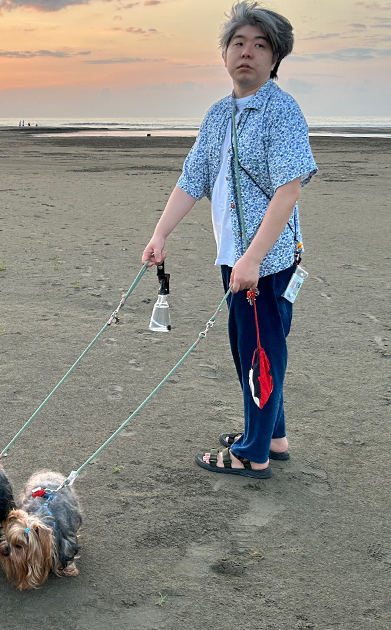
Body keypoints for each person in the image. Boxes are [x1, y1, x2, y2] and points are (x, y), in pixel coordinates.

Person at [141, 1, 317, 479]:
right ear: (224, 55)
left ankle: (254, 452)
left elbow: (289, 189)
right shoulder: (220, 113)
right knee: (248, 346)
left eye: (261, 45)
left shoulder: (281, 110)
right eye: (238, 43)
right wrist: (161, 233)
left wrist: (254, 258)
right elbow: (193, 177)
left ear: (275, 59)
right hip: (235, 258)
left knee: (261, 350)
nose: (248, 52)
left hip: (267, 261)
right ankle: (272, 437)